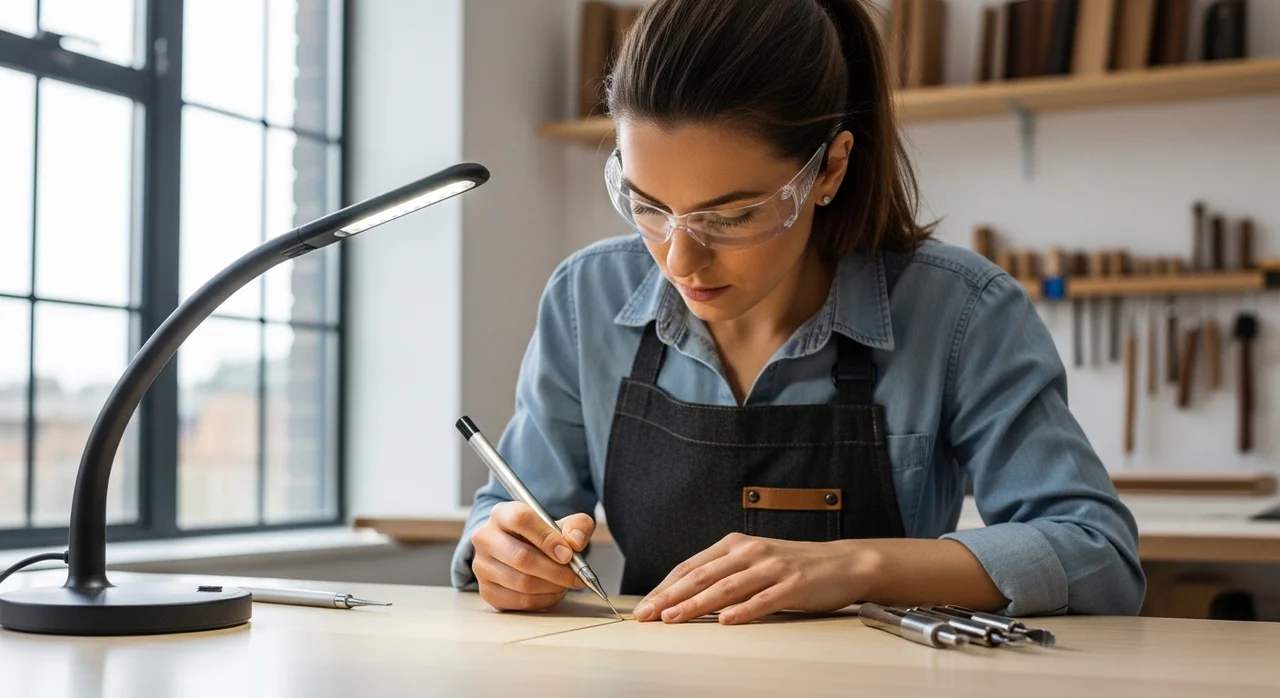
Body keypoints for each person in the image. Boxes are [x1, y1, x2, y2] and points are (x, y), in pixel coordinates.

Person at [450, 0, 1144, 624]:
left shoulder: (961, 313)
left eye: (734, 215)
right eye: (648, 207)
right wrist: (507, 557)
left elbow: (1097, 552)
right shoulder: (586, 299)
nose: (680, 260)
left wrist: (857, 567)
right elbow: (507, 520)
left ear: (830, 170)